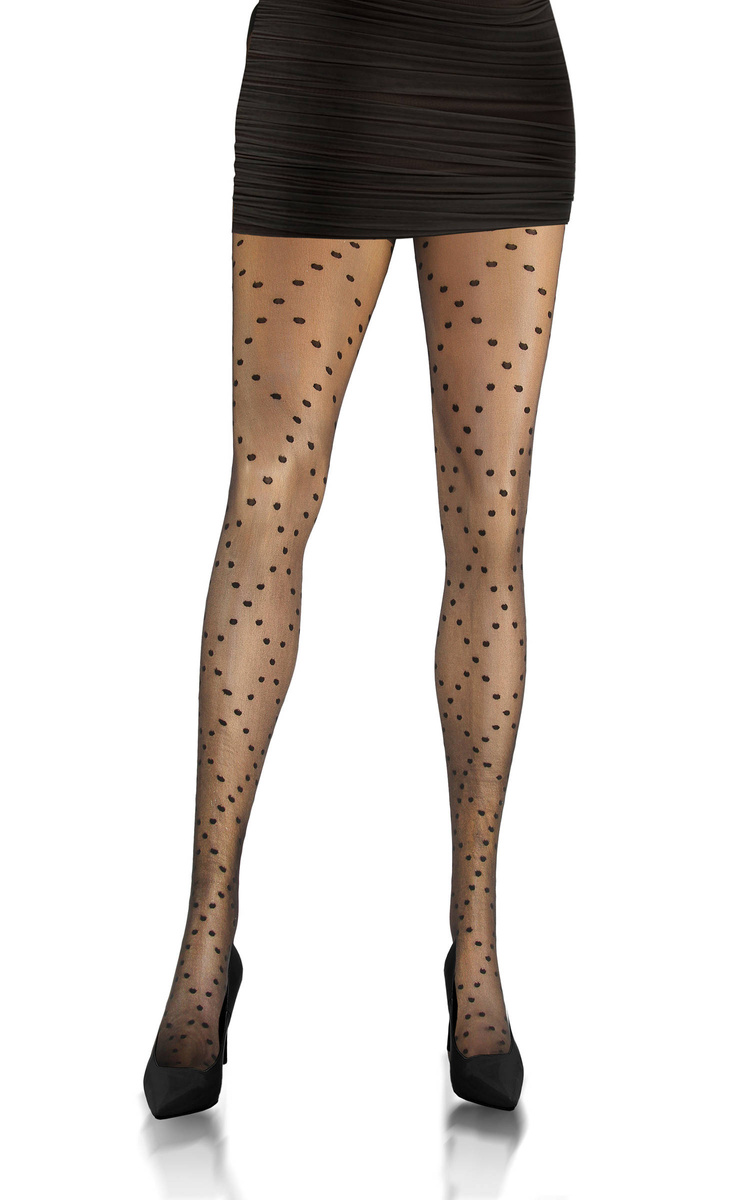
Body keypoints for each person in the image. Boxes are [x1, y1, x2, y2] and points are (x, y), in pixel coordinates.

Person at [143, 0, 576, 1118]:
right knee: (267, 496)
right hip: (323, 73)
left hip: (497, 80)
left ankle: (476, 944)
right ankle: (205, 935)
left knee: (489, 520)